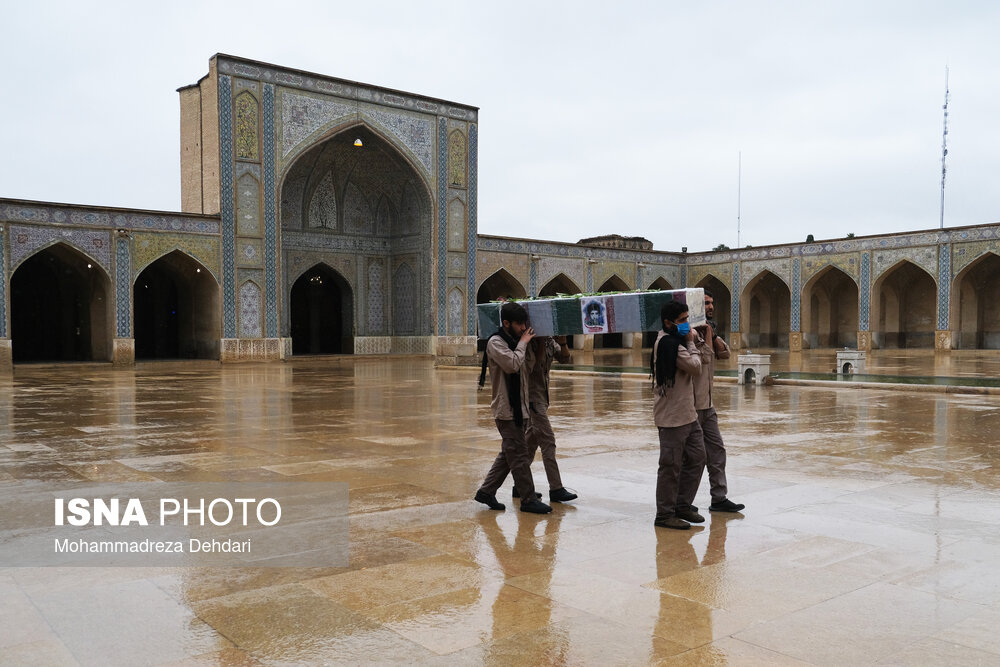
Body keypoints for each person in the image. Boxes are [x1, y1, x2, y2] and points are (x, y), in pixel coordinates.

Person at [475, 302, 553, 514]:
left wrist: (536, 344)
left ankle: (486, 491)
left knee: (508, 454)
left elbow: (527, 368)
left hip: (520, 409)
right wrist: (524, 342)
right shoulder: (496, 343)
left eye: (524, 324)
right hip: (507, 411)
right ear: (506, 323)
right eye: (519, 325)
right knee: (518, 456)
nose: (522, 328)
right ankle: (527, 499)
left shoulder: (515, 342)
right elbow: (512, 364)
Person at [650, 300, 706, 529]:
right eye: (682, 321)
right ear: (668, 322)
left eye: (687, 319)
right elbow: (695, 366)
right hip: (672, 417)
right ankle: (664, 514)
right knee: (670, 466)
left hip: (688, 413)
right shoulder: (668, 344)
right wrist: (691, 342)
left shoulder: (677, 341)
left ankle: (682, 505)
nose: (687, 324)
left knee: (697, 457)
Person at [692, 290, 745, 513]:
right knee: (691, 458)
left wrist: (712, 336)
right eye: (706, 304)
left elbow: (725, 354)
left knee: (716, 452)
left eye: (712, 303)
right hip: (690, 405)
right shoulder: (688, 334)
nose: (711, 307)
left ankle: (719, 498)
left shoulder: (710, 331)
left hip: (707, 404)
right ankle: (680, 502)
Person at [519, 335, 578, 503]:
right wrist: (539, 345)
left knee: (530, 442)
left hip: (542, 398)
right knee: (548, 440)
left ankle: (519, 484)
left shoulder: (550, 342)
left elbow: (565, 359)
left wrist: (563, 341)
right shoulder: (527, 343)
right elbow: (533, 367)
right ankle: (556, 488)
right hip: (531, 398)